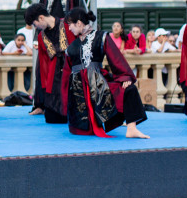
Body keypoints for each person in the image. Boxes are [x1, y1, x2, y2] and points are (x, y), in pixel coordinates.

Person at [63, 8, 150, 139]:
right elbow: (66, 72)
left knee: (129, 88)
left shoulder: (101, 37)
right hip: (78, 90)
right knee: (81, 129)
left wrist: (124, 76)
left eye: (70, 24)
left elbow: (115, 57)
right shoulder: (72, 46)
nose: (69, 28)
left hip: (98, 84)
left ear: (79, 23)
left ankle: (131, 128)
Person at [31, 0, 86, 115]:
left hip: (68, 36)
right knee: (41, 69)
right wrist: (37, 39)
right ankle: (40, 104)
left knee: (68, 71)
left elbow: (81, 15)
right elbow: (39, 17)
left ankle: (70, 104)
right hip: (48, 36)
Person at [23, 3, 74, 124]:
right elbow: (43, 64)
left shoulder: (68, 25)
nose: (37, 27)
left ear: (41, 18)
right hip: (54, 79)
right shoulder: (41, 37)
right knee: (52, 118)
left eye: (35, 24)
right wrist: (44, 89)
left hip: (72, 73)